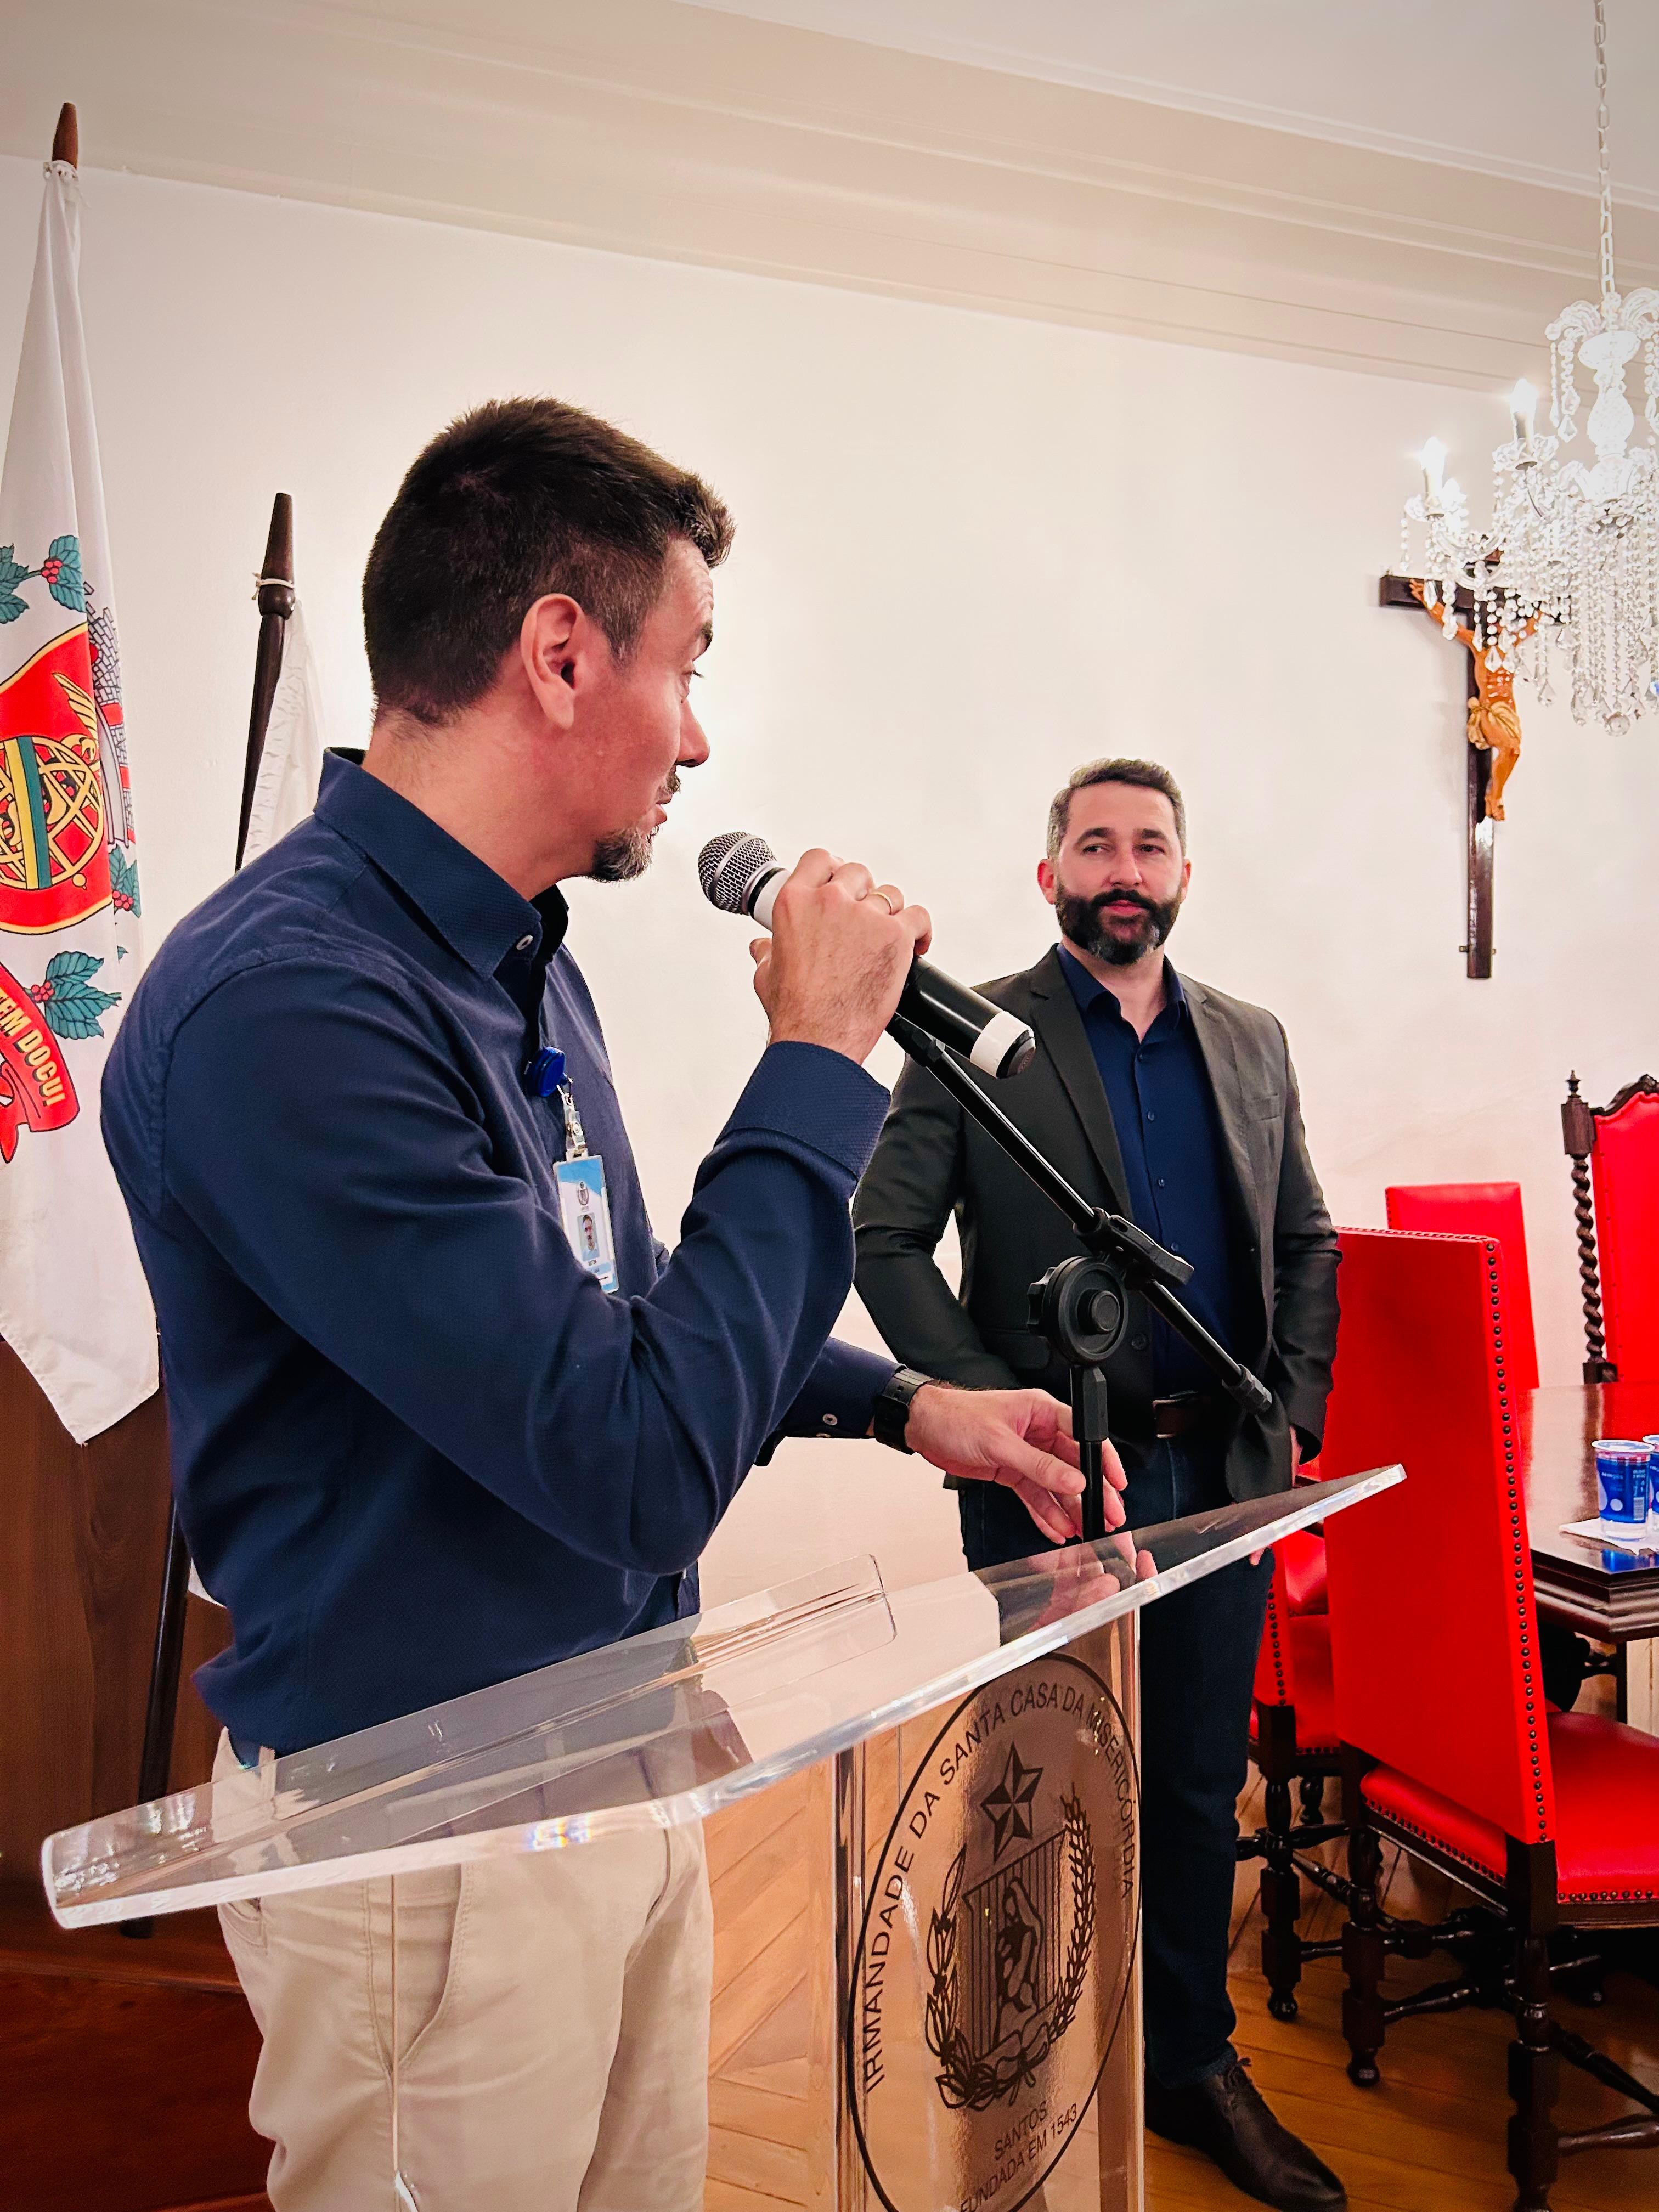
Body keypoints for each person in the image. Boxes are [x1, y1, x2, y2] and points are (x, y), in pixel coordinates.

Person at [100, 399, 1118, 2211]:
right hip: (427, 1838)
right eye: (688, 665)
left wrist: (908, 1405)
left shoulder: (516, 960)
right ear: (562, 655)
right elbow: (633, 1463)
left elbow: (624, 1319)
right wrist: (817, 1061)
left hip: (618, 1748)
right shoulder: (290, 1004)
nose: (699, 736)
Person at [854, 757, 1345, 2212]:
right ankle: (1018, 2074)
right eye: (1095, 845)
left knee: (1194, 1783)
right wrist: (992, 1419)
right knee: (1039, 1788)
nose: (1123, 869)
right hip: (1054, 1486)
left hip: (1223, 1475)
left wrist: (1292, 1420)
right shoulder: (974, 1033)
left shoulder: (1251, 1039)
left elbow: (1306, 1242)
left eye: (1149, 846)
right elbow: (884, 1239)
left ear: (1183, 874)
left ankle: (1188, 2061)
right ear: (1050, 873)